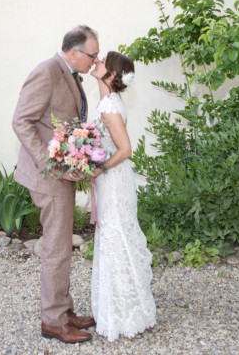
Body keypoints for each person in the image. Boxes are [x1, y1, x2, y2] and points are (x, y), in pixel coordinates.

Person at [12, 25, 99, 344]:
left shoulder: (70, 74)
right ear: (74, 52)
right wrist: (49, 163)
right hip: (47, 175)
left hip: (63, 172)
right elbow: (21, 120)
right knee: (57, 247)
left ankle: (63, 310)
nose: (95, 60)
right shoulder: (46, 72)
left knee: (61, 244)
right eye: (92, 54)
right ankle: (52, 320)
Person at [89, 51, 157, 342]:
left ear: (112, 74)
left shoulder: (109, 104)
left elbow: (125, 149)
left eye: (102, 60)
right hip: (114, 180)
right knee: (116, 237)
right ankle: (121, 309)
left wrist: (98, 168)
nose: (97, 62)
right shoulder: (110, 101)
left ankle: (126, 313)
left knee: (116, 237)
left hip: (114, 181)